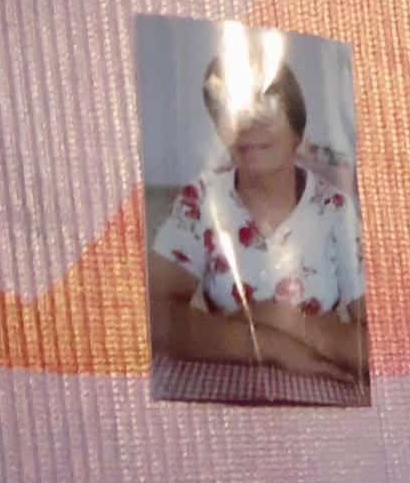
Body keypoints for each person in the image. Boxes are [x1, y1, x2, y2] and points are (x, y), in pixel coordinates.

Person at [143, 39, 367, 395]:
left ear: (297, 129)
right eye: (231, 111)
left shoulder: (335, 210)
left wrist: (282, 319)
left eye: (265, 107)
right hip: (224, 396)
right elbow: (149, 319)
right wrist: (267, 344)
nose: (248, 125)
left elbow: (379, 351)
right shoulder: (201, 199)